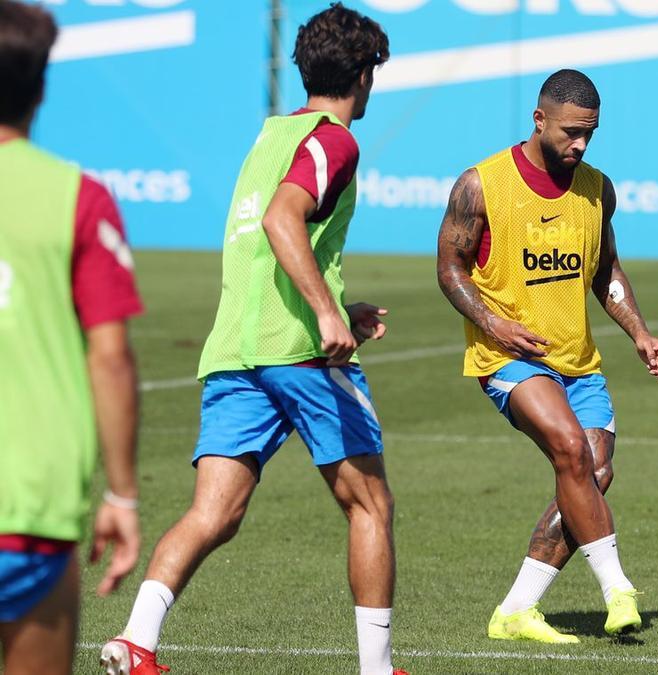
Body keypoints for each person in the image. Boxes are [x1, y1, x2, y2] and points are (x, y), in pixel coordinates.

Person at [100, 5, 407, 674]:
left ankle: (136, 640)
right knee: (370, 502)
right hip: (299, 352)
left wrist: (335, 302)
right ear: (363, 76)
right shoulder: (334, 140)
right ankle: (377, 668)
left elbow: (269, 241)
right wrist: (326, 314)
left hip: (235, 351)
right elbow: (280, 221)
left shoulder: (271, 135)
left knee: (215, 511)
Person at [436, 68, 658, 644]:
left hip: (579, 363)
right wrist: (493, 322)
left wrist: (640, 333)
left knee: (593, 474)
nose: (581, 144)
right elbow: (450, 268)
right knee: (570, 449)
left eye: (590, 133)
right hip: (508, 358)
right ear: (539, 119)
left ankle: (517, 609)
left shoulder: (597, 188)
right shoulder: (481, 184)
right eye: (571, 132)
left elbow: (607, 271)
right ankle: (618, 589)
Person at [0, 2, 143, 673]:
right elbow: (110, 357)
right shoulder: (77, 197)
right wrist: (121, 493)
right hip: (27, 508)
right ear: (41, 88)